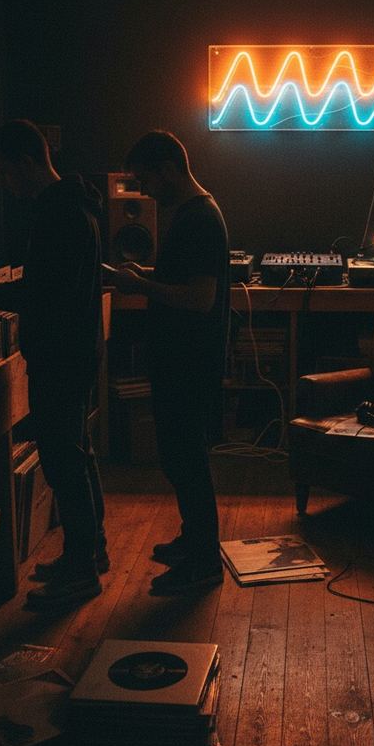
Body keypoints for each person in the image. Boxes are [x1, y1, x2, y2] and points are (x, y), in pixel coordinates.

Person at [0, 119, 107, 612]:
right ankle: (89, 554)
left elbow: (44, 293)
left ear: (28, 162)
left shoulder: (58, 215)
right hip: (74, 349)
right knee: (77, 454)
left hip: (60, 354)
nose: (5, 185)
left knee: (62, 459)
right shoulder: (76, 205)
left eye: (5, 173)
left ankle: (80, 571)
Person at [106, 130, 229, 595]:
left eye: (146, 180)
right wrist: (149, 275)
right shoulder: (194, 213)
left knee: (187, 459)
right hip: (180, 358)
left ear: (170, 169)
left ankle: (202, 563)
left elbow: (200, 298)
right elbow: (186, 280)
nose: (144, 191)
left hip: (187, 360)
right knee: (179, 458)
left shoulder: (198, 219)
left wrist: (142, 287)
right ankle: (193, 540)